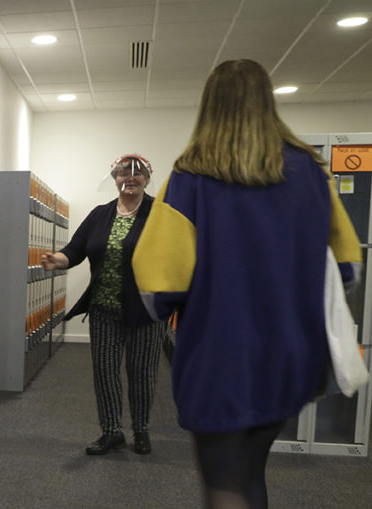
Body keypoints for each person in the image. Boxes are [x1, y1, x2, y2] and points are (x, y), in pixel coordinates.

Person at [132, 59, 362, 508]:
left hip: (222, 358)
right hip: (292, 356)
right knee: (251, 473)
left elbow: (159, 286)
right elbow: (348, 266)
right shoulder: (312, 173)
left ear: (210, 106)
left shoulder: (191, 176)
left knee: (223, 483)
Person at [41, 154, 166, 455]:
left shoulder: (160, 214)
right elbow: (75, 250)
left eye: (136, 174)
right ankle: (111, 431)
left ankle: (141, 430)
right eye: (123, 174)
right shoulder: (101, 214)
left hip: (146, 310)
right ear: (115, 179)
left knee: (142, 372)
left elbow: (177, 254)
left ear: (146, 178)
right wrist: (58, 260)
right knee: (105, 371)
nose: (129, 179)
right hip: (103, 309)